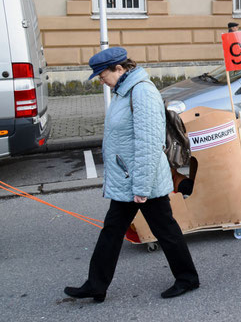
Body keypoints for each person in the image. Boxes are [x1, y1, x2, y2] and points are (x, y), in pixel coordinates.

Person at [64, 48, 200, 302]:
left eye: (102, 74)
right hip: (129, 178)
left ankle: (187, 279)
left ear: (119, 68)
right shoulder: (123, 91)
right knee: (113, 230)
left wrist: (141, 187)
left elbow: (149, 143)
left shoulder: (142, 92)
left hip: (141, 179)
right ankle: (96, 285)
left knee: (165, 230)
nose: (100, 80)